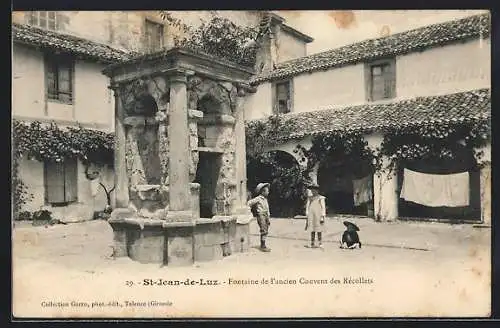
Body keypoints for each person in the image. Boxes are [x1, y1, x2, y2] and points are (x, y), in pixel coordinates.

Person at [247, 182, 271, 252]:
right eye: (267, 191)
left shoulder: (265, 199)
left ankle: (263, 244)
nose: (268, 192)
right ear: (263, 192)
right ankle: (263, 246)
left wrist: (268, 217)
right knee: (263, 229)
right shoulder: (258, 198)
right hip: (261, 215)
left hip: (266, 215)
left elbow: (267, 209)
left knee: (266, 229)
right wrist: (249, 210)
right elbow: (249, 202)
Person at [305, 184, 326, 248]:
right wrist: (307, 213)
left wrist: (322, 216)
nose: (313, 192)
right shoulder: (310, 198)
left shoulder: (321, 198)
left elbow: (323, 207)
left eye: (314, 190)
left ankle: (320, 242)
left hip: (318, 214)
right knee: (312, 229)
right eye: (312, 190)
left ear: (317, 191)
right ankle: (312, 242)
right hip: (311, 214)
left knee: (319, 228)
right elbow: (307, 205)